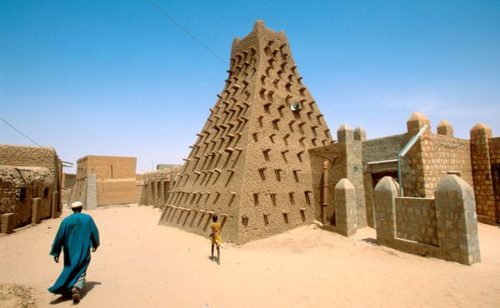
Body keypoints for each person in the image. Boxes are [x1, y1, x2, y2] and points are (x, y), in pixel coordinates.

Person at [48, 201, 100, 303]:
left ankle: (67, 289)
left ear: (72, 210)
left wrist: (56, 252)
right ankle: (76, 287)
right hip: (84, 250)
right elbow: (94, 232)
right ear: (81, 208)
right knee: (82, 270)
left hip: (69, 252)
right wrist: (95, 244)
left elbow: (59, 237)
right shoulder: (87, 219)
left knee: (69, 269)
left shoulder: (66, 221)